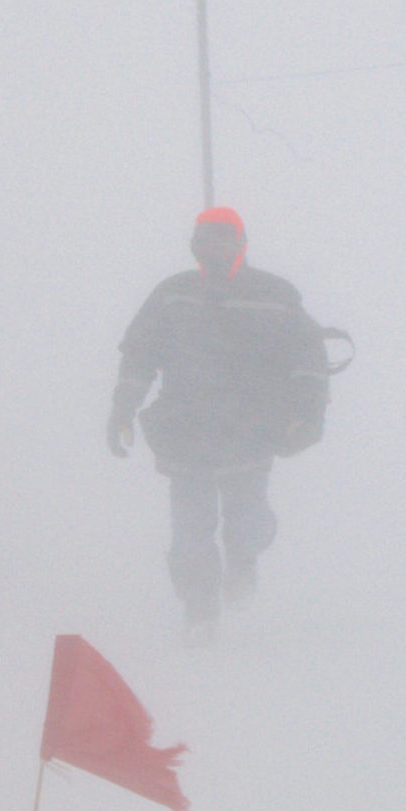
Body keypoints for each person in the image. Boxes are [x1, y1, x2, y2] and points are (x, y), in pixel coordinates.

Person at [107, 206, 329, 639]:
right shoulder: (173, 294)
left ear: (241, 243)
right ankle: (200, 613)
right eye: (205, 241)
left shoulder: (274, 294)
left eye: (223, 240)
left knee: (247, 524)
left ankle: (243, 564)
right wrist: (122, 407)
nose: (213, 249)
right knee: (190, 535)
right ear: (193, 246)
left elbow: (309, 357)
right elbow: (139, 354)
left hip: (252, 433)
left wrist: (309, 412)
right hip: (185, 433)